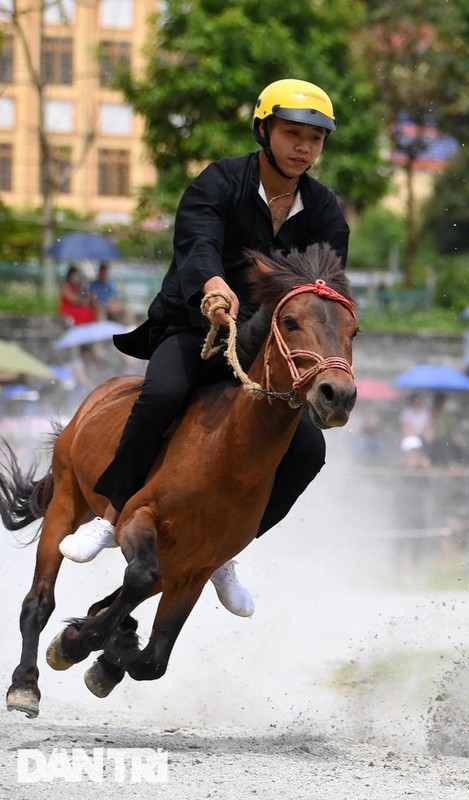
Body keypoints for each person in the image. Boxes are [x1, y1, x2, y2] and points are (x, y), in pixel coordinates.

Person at [56, 79, 348, 618]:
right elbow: (198, 244)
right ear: (263, 130)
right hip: (195, 328)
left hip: (264, 353)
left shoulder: (325, 210)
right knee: (163, 393)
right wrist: (213, 286)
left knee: (310, 452)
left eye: (314, 138)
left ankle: (223, 553)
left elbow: (324, 287)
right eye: (292, 133)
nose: (304, 147)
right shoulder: (219, 182)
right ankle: (111, 513)